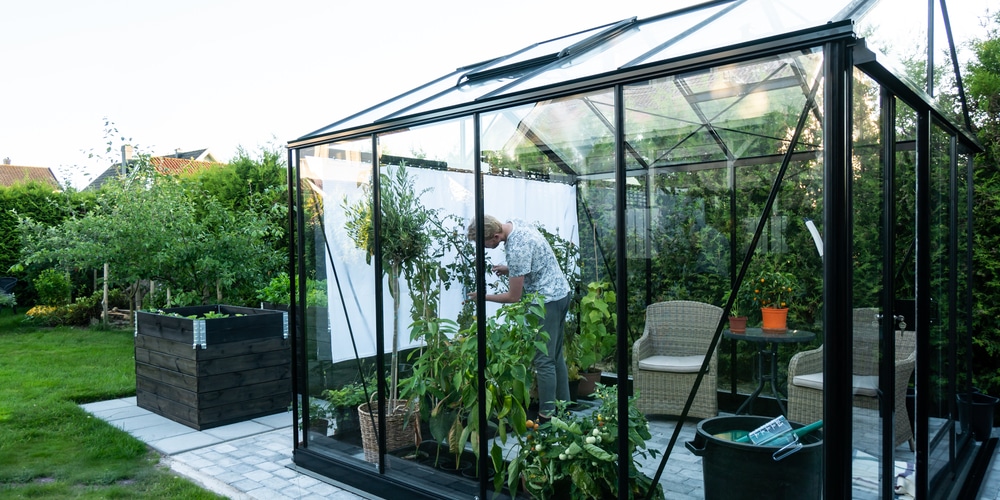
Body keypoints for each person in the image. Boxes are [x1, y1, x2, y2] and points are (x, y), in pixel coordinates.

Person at [467, 215, 572, 422]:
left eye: (485, 244)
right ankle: (565, 409)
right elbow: (532, 258)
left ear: (496, 236)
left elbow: (513, 297)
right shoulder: (515, 223)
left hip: (546, 303)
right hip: (561, 293)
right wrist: (510, 269)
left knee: (543, 361)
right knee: (555, 356)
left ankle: (546, 418)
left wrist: (482, 297)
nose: (485, 248)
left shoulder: (516, 248)